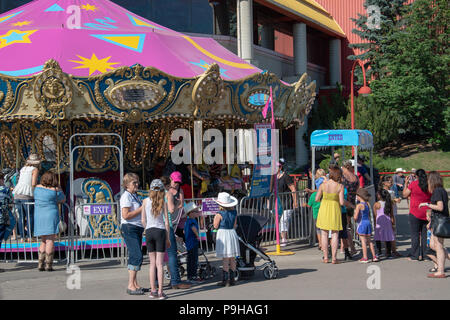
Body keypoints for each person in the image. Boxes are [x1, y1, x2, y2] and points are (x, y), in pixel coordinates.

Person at [141, 179, 171, 300]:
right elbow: (167, 222)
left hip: (149, 231)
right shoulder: (163, 203)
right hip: (160, 231)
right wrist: (168, 237)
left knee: (152, 264)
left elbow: (143, 220)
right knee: (160, 264)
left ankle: (152, 291)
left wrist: (146, 229)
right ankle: (160, 292)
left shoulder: (145, 201)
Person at [33, 171, 65, 271]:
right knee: (50, 239)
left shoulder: (37, 188)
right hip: (51, 214)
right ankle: (48, 264)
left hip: (39, 215)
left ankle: (40, 264)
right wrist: (59, 187)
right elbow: (63, 199)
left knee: (43, 240)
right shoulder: (55, 190)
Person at [419, 171, 449, 278]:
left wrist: (427, 204)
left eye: (428, 180)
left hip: (439, 221)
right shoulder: (441, 190)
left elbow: (440, 207)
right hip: (439, 221)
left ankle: (440, 271)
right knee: (435, 245)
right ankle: (440, 269)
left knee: (439, 246)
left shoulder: (437, 191)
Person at [120, 173, 145, 295]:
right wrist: (141, 209)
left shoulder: (134, 195)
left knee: (135, 256)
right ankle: (130, 285)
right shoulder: (126, 197)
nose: (137, 184)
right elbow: (125, 215)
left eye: (137, 182)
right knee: (136, 255)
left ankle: (135, 283)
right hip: (130, 227)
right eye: (134, 183)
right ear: (127, 184)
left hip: (137, 227)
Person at [165, 174, 191, 290]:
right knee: (170, 254)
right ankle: (174, 280)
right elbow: (173, 208)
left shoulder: (178, 191)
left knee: (168, 253)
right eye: (174, 182)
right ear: (170, 180)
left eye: (178, 182)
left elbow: (181, 204)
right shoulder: (167, 192)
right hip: (168, 222)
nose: (176, 184)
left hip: (175, 220)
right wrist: (174, 206)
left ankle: (168, 279)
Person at [315, 167, 344, 264]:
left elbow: (316, 199)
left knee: (324, 234)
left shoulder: (323, 185)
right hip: (335, 209)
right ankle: (334, 258)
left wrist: (324, 200)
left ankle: (326, 257)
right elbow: (342, 202)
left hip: (324, 208)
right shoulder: (340, 186)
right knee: (335, 234)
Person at [402, 169, 431, 261]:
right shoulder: (429, 185)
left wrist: (406, 183)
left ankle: (415, 255)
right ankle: (426, 255)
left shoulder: (413, 184)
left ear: (416, 176)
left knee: (415, 235)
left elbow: (404, 195)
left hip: (415, 211)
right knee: (425, 235)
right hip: (427, 212)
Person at [213, 192, 240, 287]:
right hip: (231, 233)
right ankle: (232, 279)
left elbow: (215, 226)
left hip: (223, 234)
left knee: (225, 259)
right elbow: (234, 225)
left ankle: (225, 280)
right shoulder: (234, 212)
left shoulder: (219, 214)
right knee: (232, 258)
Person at [13, 153, 41, 241]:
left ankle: (22, 237)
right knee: (30, 216)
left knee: (21, 216)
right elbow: (33, 184)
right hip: (27, 194)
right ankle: (30, 236)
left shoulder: (23, 169)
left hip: (17, 194)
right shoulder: (35, 169)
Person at [354, 188, 379, 263]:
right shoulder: (367, 204)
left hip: (362, 223)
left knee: (363, 241)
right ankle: (374, 256)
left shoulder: (359, 205)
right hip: (368, 223)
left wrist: (354, 215)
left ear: (359, 196)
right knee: (369, 241)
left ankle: (365, 257)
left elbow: (355, 217)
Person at [276, 160, 297, 246]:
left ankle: (283, 238)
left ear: (280, 167)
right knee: (281, 221)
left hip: (287, 202)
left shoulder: (286, 176)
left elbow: (293, 189)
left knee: (283, 220)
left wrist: (295, 202)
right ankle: (284, 237)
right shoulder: (274, 177)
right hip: (280, 202)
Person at [379, 175, 402, 257]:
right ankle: (389, 250)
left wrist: (396, 200)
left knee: (393, 232)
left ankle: (393, 249)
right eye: (389, 181)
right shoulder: (383, 192)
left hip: (393, 212)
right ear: (384, 183)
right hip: (387, 213)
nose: (391, 183)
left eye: (392, 181)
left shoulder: (391, 191)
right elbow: (384, 202)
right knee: (388, 232)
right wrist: (394, 200)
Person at [341, 160, 359, 255]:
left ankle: (350, 247)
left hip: (344, 202)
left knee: (345, 227)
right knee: (348, 226)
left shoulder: (343, 177)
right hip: (352, 202)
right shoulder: (355, 177)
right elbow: (357, 189)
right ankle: (344, 247)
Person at [184, 202, 202, 283]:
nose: (198, 213)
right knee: (193, 259)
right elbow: (193, 228)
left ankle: (190, 276)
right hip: (193, 242)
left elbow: (185, 231)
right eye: (196, 211)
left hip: (189, 243)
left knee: (190, 259)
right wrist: (197, 235)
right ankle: (193, 276)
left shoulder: (188, 221)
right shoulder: (192, 221)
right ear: (191, 213)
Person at [373, 189, 395, 258]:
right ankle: (388, 253)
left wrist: (374, 223)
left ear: (379, 196)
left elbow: (375, 215)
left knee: (378, 237)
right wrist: (393, 223)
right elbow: (391, 215)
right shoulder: (389, 203)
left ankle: (379, 252)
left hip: (379, 222)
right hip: (387, 222)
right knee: (387, 237)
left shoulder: (376, 204)